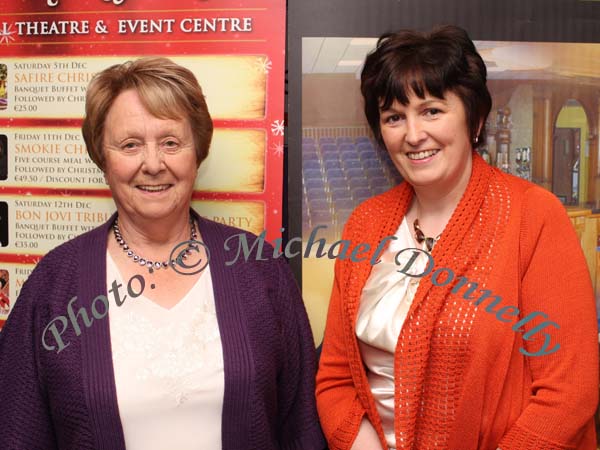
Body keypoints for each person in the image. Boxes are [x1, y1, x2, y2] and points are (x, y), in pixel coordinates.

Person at [0, 57, 325, 450]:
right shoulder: (53, 285)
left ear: (197, 151)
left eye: (171, 142)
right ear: (102, 156)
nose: (153, 164)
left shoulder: (259, 268)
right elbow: (17, 431)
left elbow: (303, 428)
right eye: (130, 144)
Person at [315, 26, 598, 450]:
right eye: (394, 116)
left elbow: (569, 392)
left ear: (475, 118)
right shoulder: (365, 224)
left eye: (431, 110)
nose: (412, 134)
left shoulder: (533, 216)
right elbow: (335, 378)